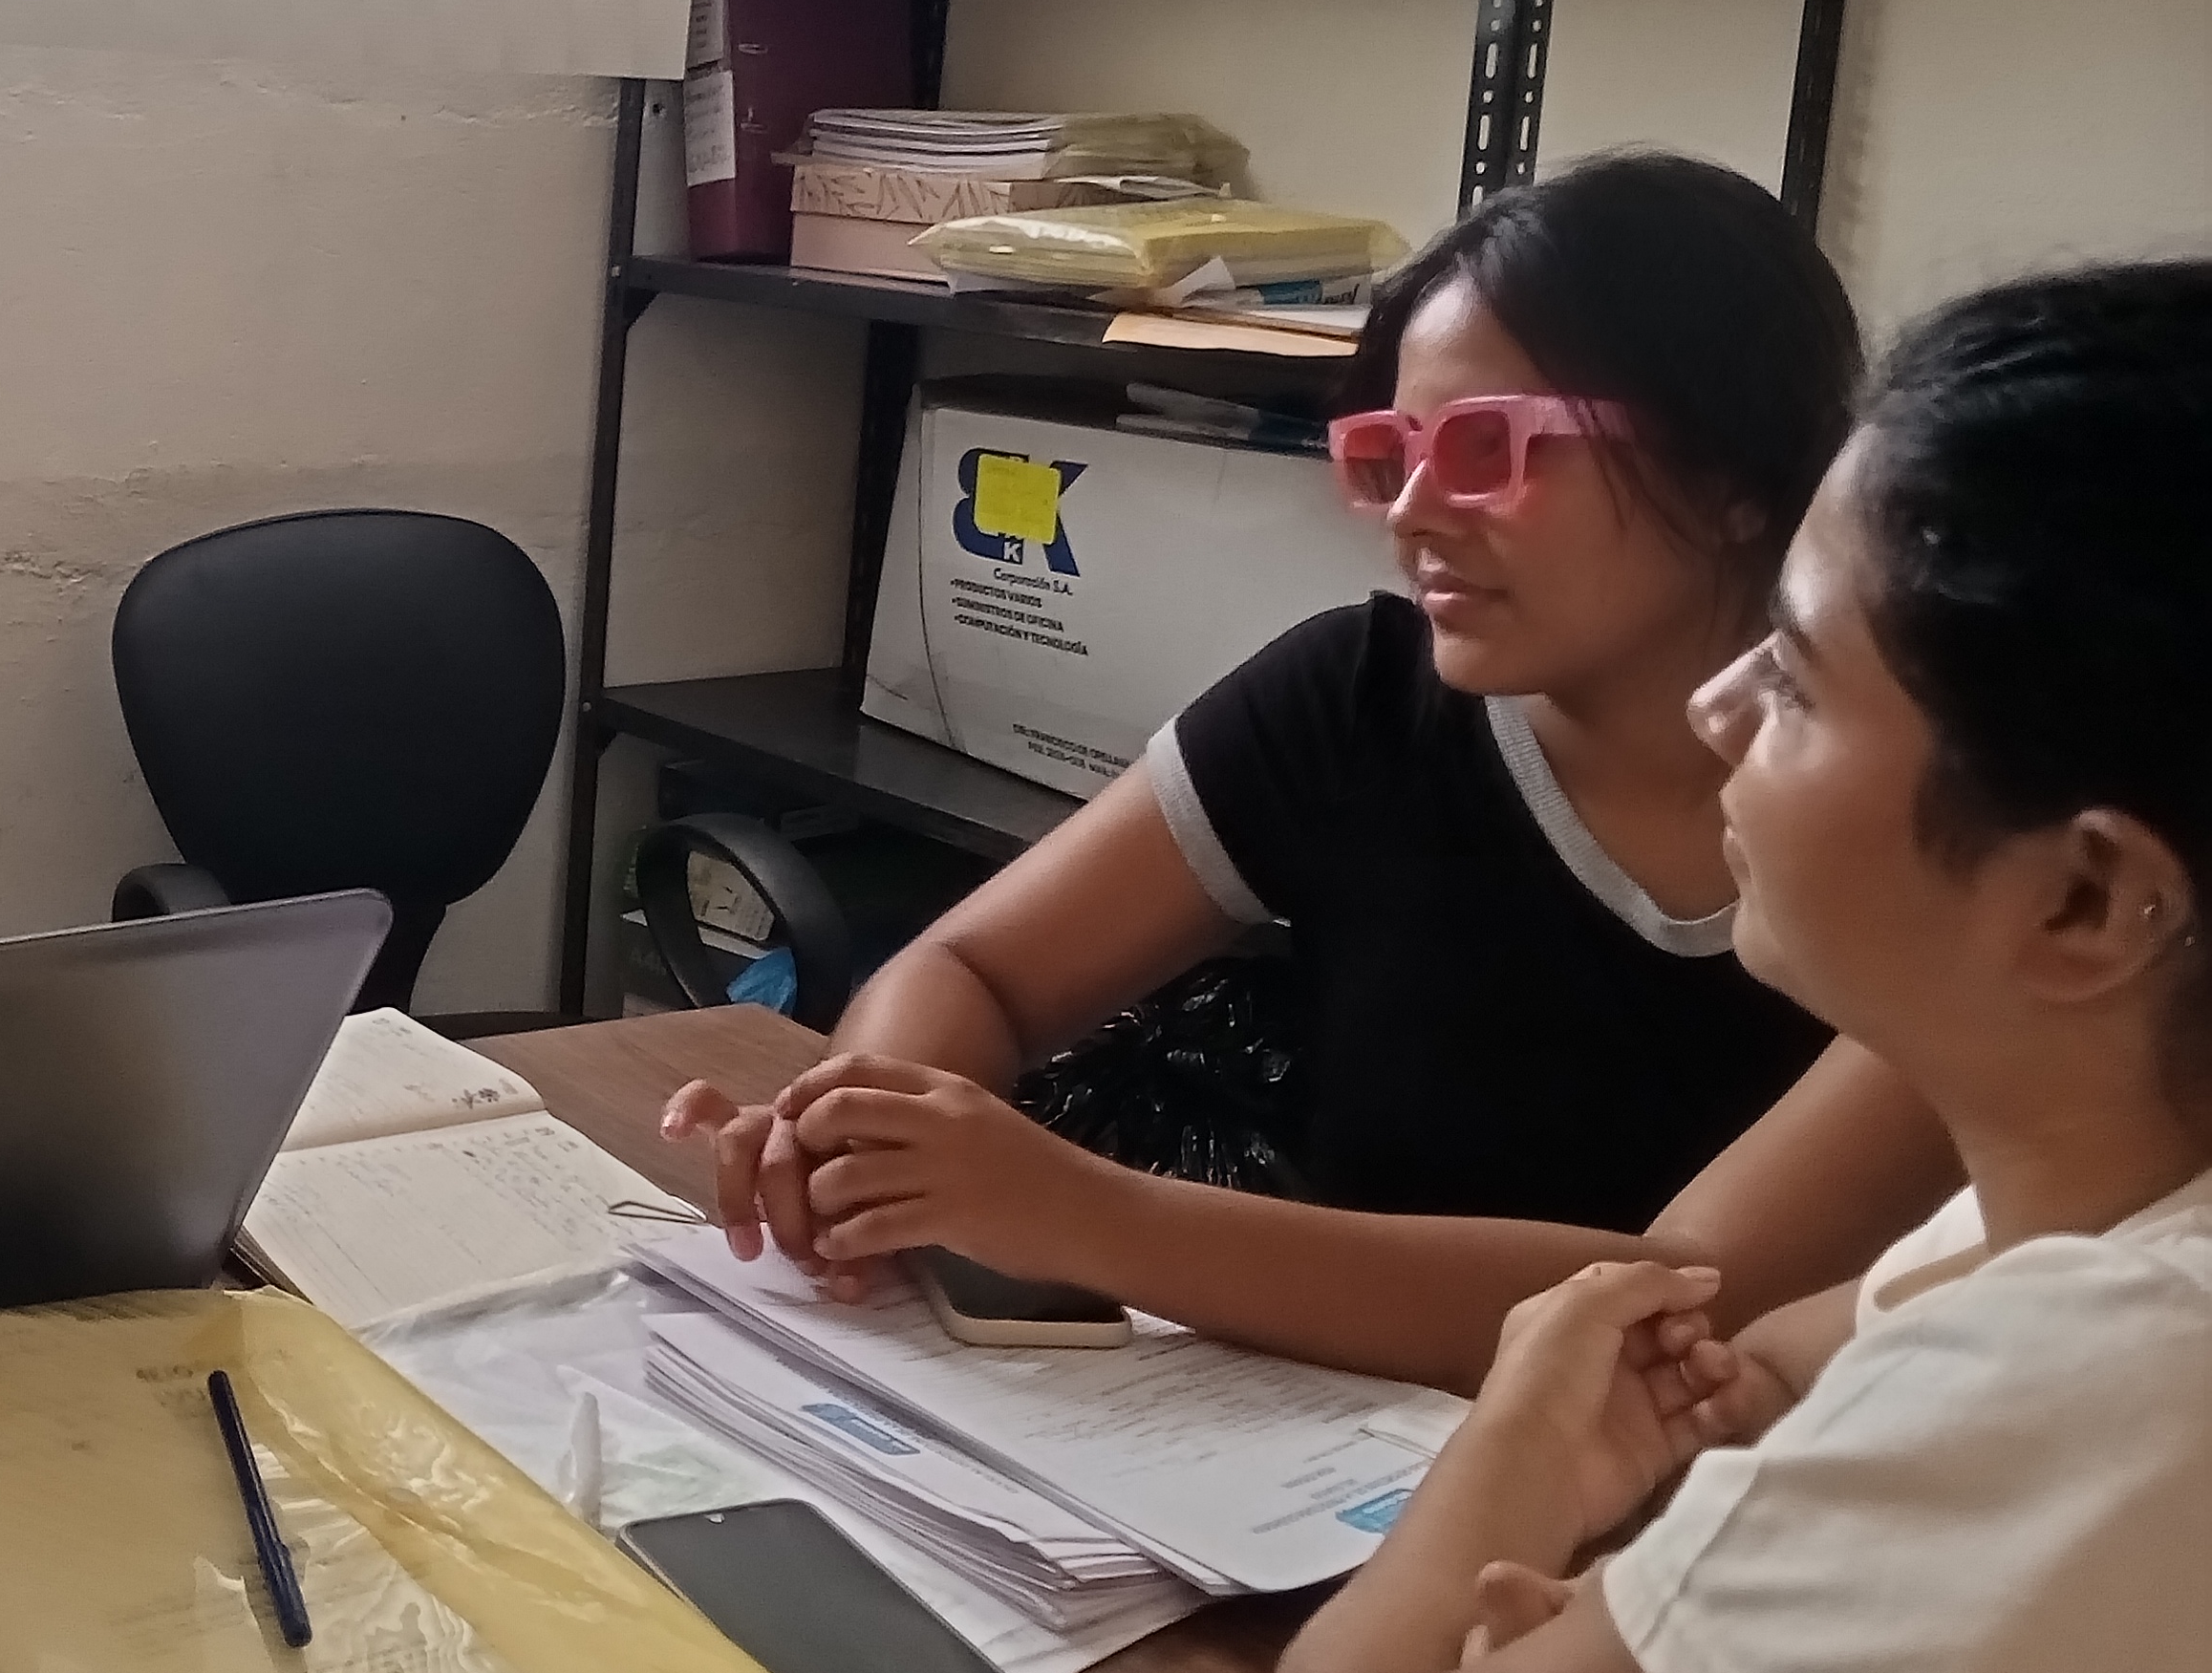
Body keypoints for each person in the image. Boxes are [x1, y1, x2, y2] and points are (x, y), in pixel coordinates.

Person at [1243, 258, 2212, 1673]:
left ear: (2081, 900)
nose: (1720, 709)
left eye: (1803, 677)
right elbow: (1756, 1373)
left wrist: (1517, 1444)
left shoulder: (2126, 1379)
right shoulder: (2092, 1202)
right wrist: (1672, 1654)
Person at [666, 152, 1961, 1387]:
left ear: (1735, 476)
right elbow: (975, 970)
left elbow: (1679, 1299)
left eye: (1489, 450)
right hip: (1302, 1450)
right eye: (1393, 456)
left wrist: (1077, 1213)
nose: (1413, 514)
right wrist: (874, 1141)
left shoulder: (1936, 835)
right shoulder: (1354, 702)